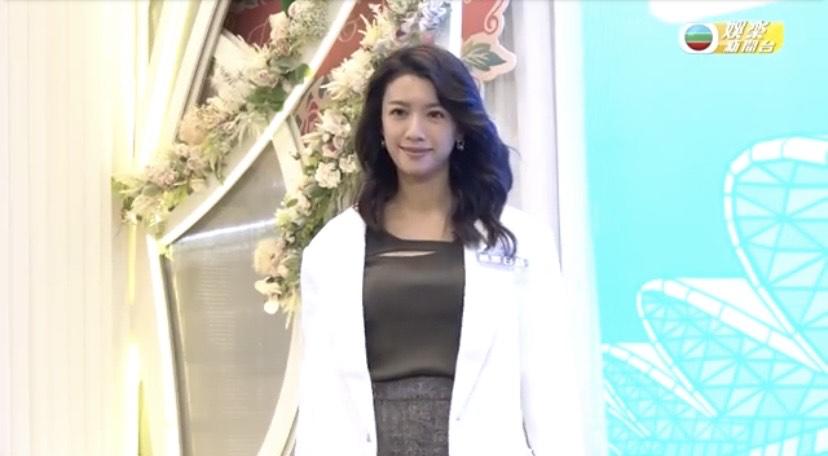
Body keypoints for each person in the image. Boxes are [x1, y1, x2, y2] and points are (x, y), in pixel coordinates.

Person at [295, 44, 585, 455]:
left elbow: (549, 385)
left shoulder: (520, 241)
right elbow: (320, 395)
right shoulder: (333, 248)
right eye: (399, 112)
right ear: (380, 124)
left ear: (460, 127)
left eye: (434, 114)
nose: (414, 131)